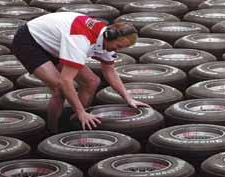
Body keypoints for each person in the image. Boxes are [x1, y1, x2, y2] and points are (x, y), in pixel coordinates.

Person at [12, 12, 150, 132]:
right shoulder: (81, 40)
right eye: (118, 46)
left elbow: (110, 71)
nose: (117, 50)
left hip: (57, 42)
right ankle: (52, 131)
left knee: (92, 81)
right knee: (59, 88)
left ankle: (76, 123)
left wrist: (128, 98)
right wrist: (80, 111)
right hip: (30, 41)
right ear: (110, 35)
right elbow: (66, 80)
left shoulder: (108, 41)